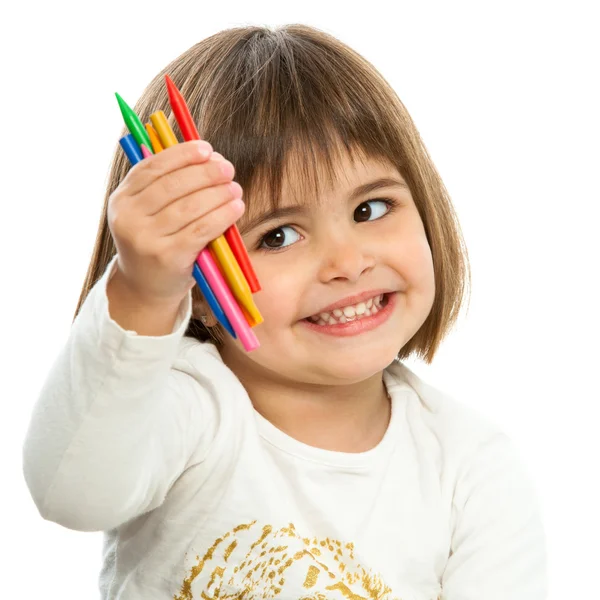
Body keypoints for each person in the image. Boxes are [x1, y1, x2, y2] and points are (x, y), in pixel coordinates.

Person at [22, 24, 547, 600]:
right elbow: (72, 491)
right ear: (197, 283)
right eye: (278, 236)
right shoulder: (187, 410)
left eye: (372, 208)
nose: (347, 262)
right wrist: (142, 291)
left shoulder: (471, 468)